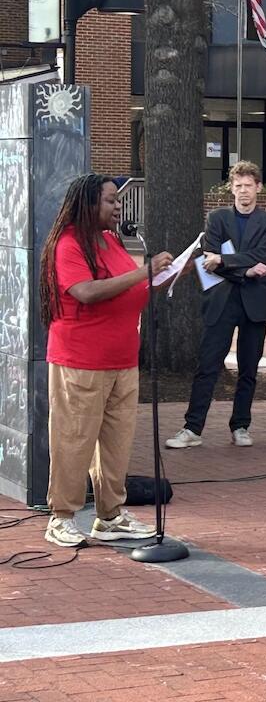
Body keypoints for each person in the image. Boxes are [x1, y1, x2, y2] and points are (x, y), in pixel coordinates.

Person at [40, 174, 174, 546]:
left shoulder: (112, 242)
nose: (118, 207)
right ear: (88, 204)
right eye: (111, 201)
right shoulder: (68, 244)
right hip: (81, 360)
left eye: (117, 201)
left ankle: (110, 516)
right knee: (74, 440)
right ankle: (61, 517)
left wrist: (165, 275)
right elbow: (86, 292)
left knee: (116, 443)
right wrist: (142, 271)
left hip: (122, 359)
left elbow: (131, 288)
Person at [166, 161, 266, 450]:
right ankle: (192, 428)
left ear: (258, 188)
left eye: (248, 186)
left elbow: (260, 254)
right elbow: (209, 260)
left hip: (254, 303)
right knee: (207, 365)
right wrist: (246, 269)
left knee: (249, 368)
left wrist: (227, 262)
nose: (243, 191)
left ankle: (240, 425)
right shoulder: (216, 218)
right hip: (221, 300)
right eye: (238, 186)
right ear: (231, 188)